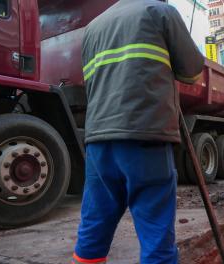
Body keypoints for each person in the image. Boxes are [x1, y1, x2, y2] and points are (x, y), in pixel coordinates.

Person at [72, 0, 204, 263]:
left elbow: (91, 81)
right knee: (156, 234)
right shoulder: (160, 12)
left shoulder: (92, 27)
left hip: (99, 140)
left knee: (94, 227)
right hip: (145, 134)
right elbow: (193, 72)